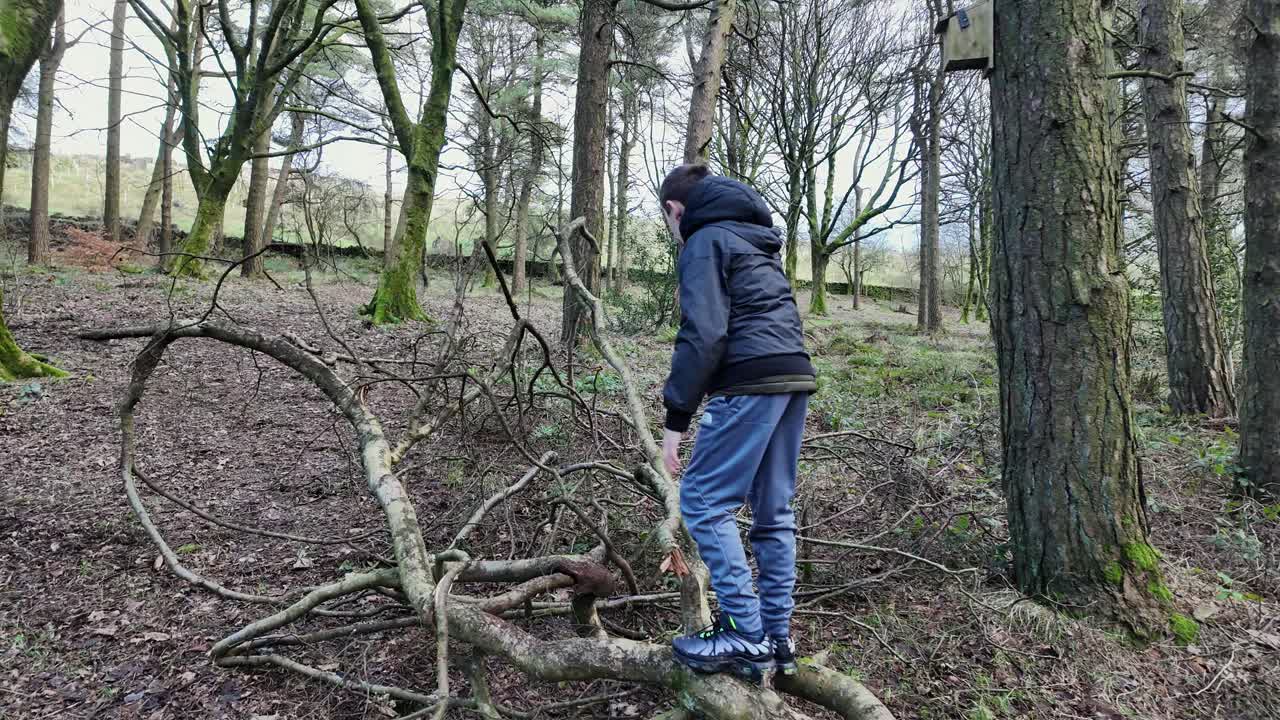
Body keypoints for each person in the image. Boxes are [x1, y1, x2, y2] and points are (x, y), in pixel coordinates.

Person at [658, 164, 817, 680]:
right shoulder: (756, 237)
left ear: (675, 210)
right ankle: (776, 637)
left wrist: (676, 419)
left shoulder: (703, 240)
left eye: (668, 220)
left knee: (703, 500)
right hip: (793, 375)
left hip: (750, 381)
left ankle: (745, 634)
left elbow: (703, 333)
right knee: (773, 513)